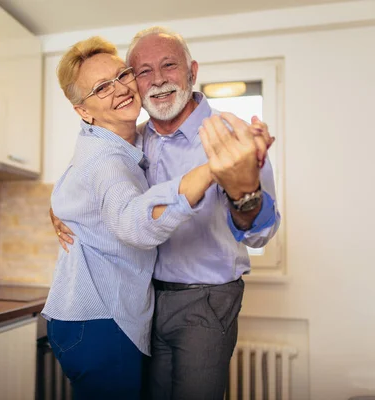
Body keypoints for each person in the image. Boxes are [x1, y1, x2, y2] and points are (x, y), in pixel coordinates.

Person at [52, 27, 281, 400]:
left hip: (206, 299)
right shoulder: (132, 137)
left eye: (168, 66)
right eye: (141, 71)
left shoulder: (230, 138)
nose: (157, 80)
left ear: (192, 70)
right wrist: (59, 209)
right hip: (148, 303)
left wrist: (246, 194)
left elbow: (260, 234)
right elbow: (87, 173)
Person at [42, 36, 218, 400]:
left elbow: (74, 191)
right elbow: (131, 222)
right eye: (101, 88)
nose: (120, 89)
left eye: (121, 75)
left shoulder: (119, 142)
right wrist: (211, 170)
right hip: (103, 323)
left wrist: (57, 208)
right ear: (83, 110)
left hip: (89, 319)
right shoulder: (108, 159)